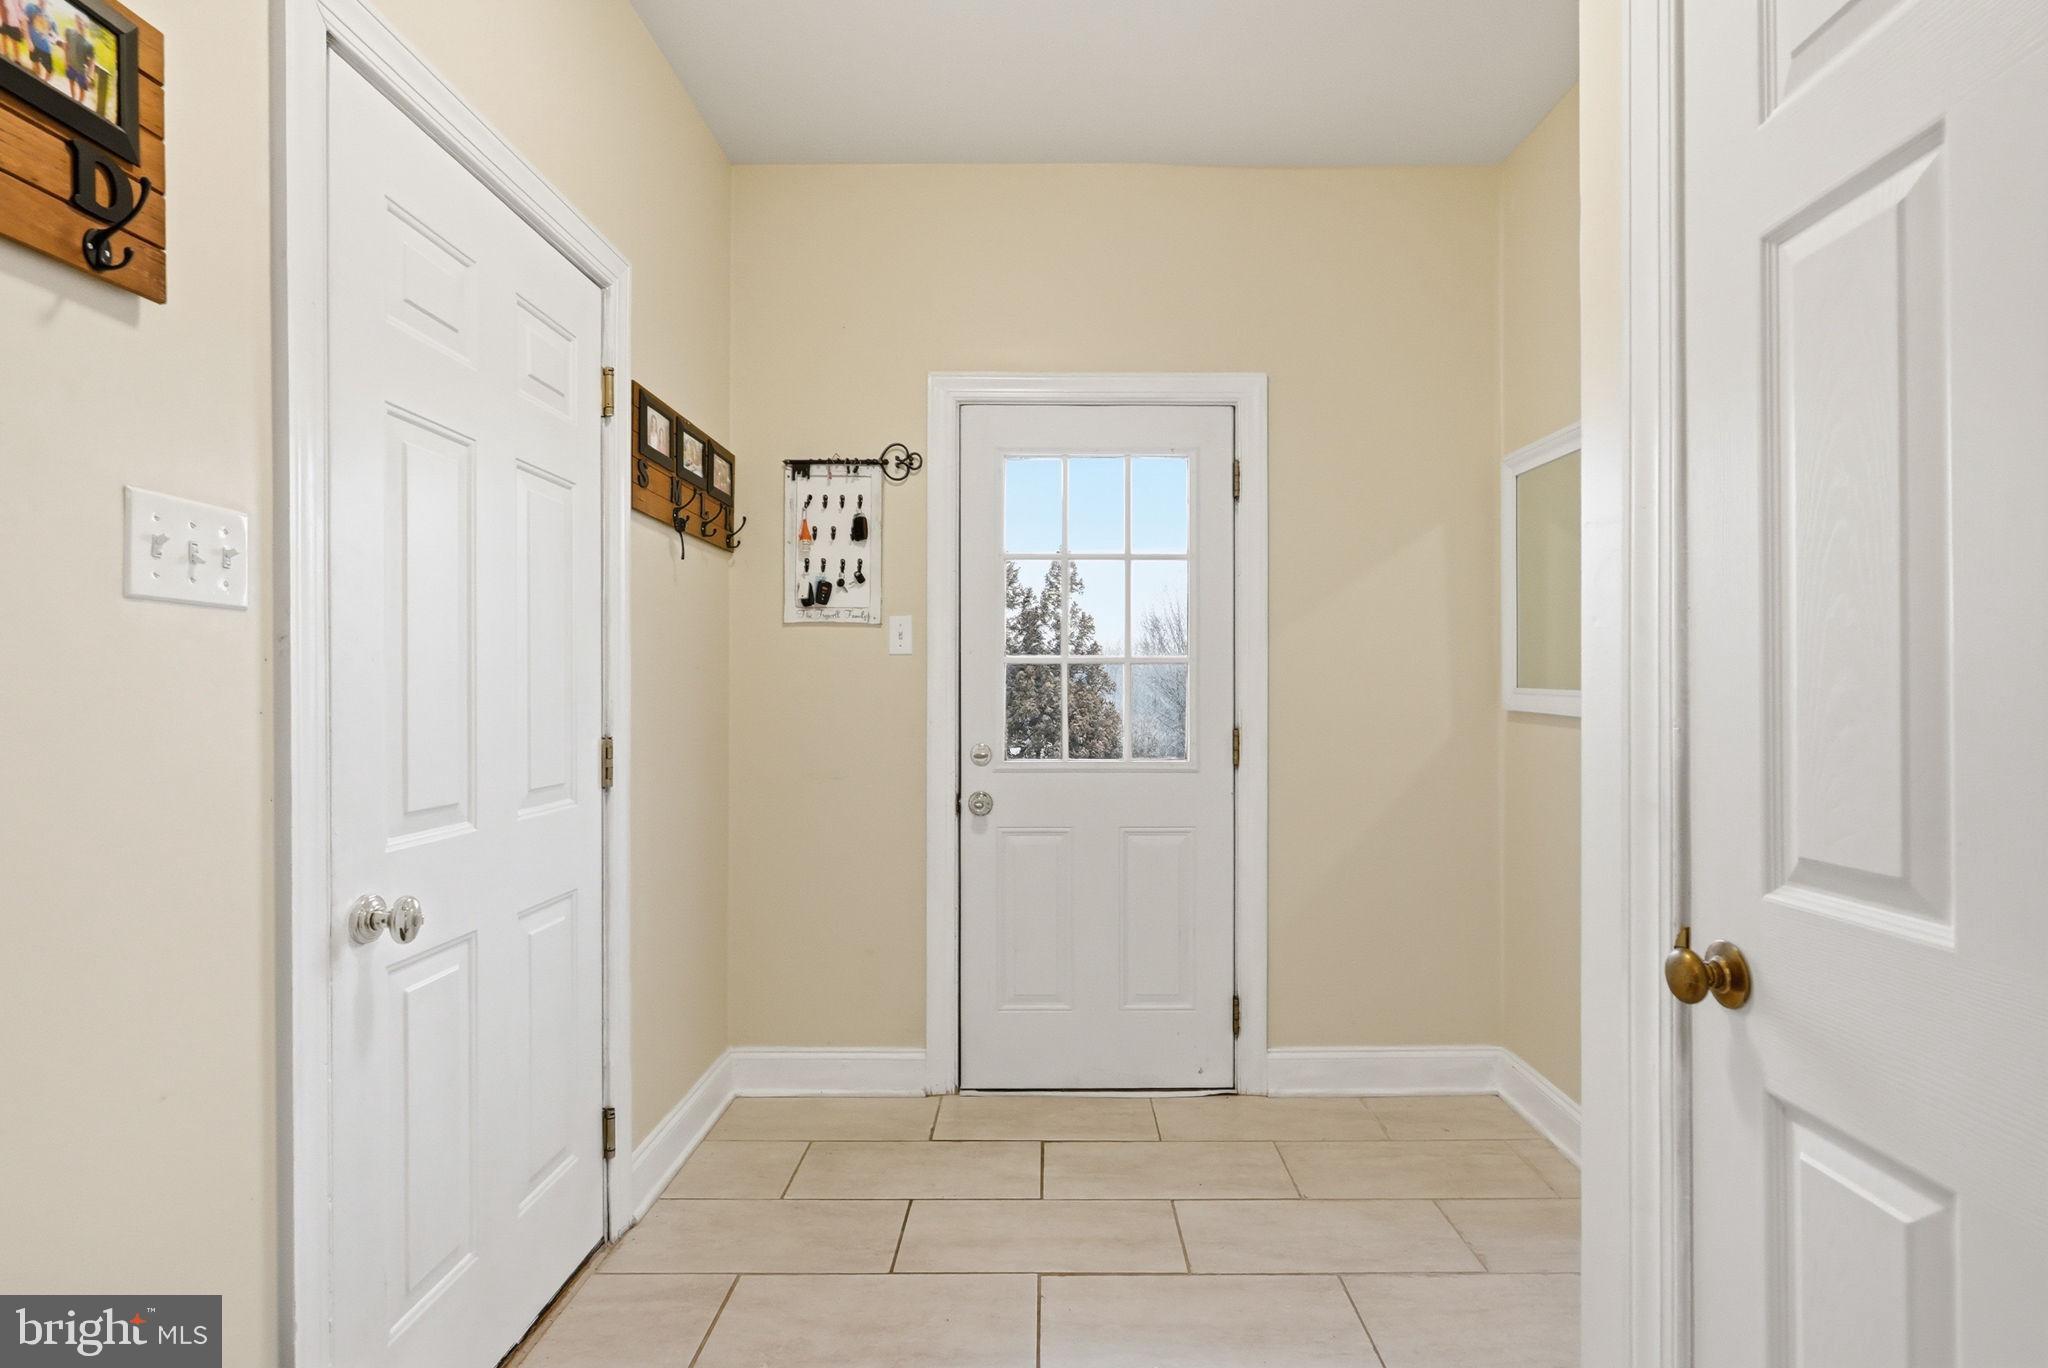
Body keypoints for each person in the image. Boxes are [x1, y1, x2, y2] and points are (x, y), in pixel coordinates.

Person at [23, 0, 54, 82]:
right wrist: (28, 40)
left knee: (49, 70)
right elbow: (24, 24)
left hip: (45, 47)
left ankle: (44, 84)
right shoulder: (30, 7)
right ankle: (36, 81)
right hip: (33, 44)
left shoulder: (48, 15)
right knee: (35, 63)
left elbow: (51, 32)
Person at [0, 0, 26, 69]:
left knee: (15, 42)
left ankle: (17, 60)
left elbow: (22, 9)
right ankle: (5, 55)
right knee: (4, 38)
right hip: (4, 19)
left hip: (14, 22)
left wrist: (21, 24)